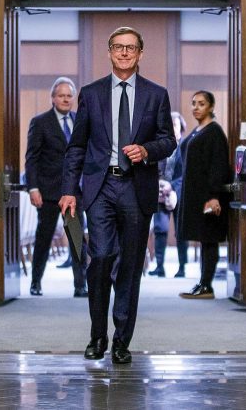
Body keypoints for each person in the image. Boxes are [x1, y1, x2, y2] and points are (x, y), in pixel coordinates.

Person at [59, 27, 176, 364]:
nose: (124, 53)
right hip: (100, 188)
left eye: (131, 48)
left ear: (140, 53)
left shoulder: (156, 95)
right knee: (101, 260)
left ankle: (122, 341)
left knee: (129, 267)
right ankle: (98, 336)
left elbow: (169, 140)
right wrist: (69, 190)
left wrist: (147, 149)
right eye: (118, 47)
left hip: (136, 188)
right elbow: (77, 146)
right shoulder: (91, 93)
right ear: (109, 52)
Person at [25, 77, 88, 298]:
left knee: (77, 239)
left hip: (73, 193)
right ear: (53, 98)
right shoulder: (40, 122)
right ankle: (35, 282)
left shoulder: (79, 121)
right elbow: (31, 158)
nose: (66, 99)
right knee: (44, 239)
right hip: (48, 193)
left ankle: (81, 285)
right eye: (61, 95)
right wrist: (33, 188)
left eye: (69, 95)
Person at [177, 90, 231, 300]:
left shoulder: (214, 132)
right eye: (193, 103)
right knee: (203, 238)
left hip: (209, 195)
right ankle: (202, 282)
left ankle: (207, 285)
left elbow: (218, 165)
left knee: (209, 239)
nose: (196, 107)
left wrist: (214, 195)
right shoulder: (198, 130)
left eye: (201, 103)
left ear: (211, 106)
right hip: (195, 195)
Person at [148, 112, 187, 278]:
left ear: (181, 128)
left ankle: (182, 268)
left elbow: (186, 173)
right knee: (160, 229)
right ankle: (159, 266)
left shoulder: (185, 146)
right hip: (159, 192)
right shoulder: (159, 146)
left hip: (179, 193)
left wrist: (172, 186)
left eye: (175, 126)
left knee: (181, 231)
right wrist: (158, 184)